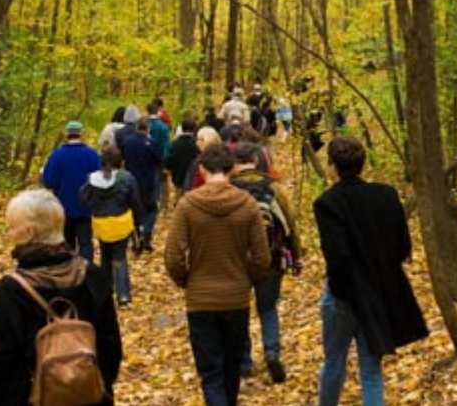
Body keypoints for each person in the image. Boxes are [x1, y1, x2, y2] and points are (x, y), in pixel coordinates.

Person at [0, 189, 122, 405]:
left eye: (12, 228)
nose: (9, 234)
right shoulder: (92, 276)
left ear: (28, 232)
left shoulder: (9, 291)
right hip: (90, 397)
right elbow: (111, 348)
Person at [313, 137, 428, 406]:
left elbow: (337, 257)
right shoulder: (386, 195)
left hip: (344, 297)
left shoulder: (327, 203)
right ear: (362, 164)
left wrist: (342, 293)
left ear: (332, 166)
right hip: (377, 292)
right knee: (371, 369)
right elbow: (403, 247)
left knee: (334, 363)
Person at [164, 144, 271, 406]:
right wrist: (247, 280)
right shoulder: (247, 205)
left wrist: (187, 281)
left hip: (200, 300)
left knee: (211, 372)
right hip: (236, 298)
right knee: (232, 367)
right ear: (232, 168)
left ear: (201, 169)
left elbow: (173, 257)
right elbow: (262, 258)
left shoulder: (188, 205)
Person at [229, 143, 301, 383]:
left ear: (235, 163)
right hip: (271, 258)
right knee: (268, 308)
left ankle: (244, 361)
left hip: (236, 261)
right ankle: (271, 353)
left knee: (240, 311)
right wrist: (296, 256)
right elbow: (290, 224)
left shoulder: (228, 190)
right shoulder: (274, 188)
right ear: (256, 161)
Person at [81, 147, 144, 307]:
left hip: (101, 224)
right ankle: (123, 295)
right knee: (119, 258)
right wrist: (139, 225)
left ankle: (105, 292)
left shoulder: (93, 178)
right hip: (121, 224)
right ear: (121, 161)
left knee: (105, 257)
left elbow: (82, 198)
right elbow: (135, 202)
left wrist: (95, 207)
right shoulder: (127, 178)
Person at [39, 120, 102, 260]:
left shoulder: (56, 155)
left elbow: (49, 181)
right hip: (85, 206)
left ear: (67, 134)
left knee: (67, 243)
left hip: (63, 206)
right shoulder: (92, 155)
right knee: (85, 243)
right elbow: (99, 179)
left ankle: (69, 273)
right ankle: (86, 272)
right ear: (81, 134)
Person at [119, 117, 163, 251]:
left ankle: (136, 238)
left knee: (134, 211)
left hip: (131, 182)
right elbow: (159, 160)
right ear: (148, 128)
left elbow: (122, 159)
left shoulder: (127, 142)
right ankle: (146, 234)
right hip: (148, 182)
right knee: (151, 209)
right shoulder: (151, 142)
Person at [165, 116, 201, 195]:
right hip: (193, 182)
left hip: (178, 178)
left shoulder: (175, 143)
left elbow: (169, 160)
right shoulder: (196, 144)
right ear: (194, 128)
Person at [184, 126, 223, 191]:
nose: (197, 143)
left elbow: (189, 184)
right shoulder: (223, 157)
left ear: (208, 140)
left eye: (200, 139)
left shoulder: (200, 161)